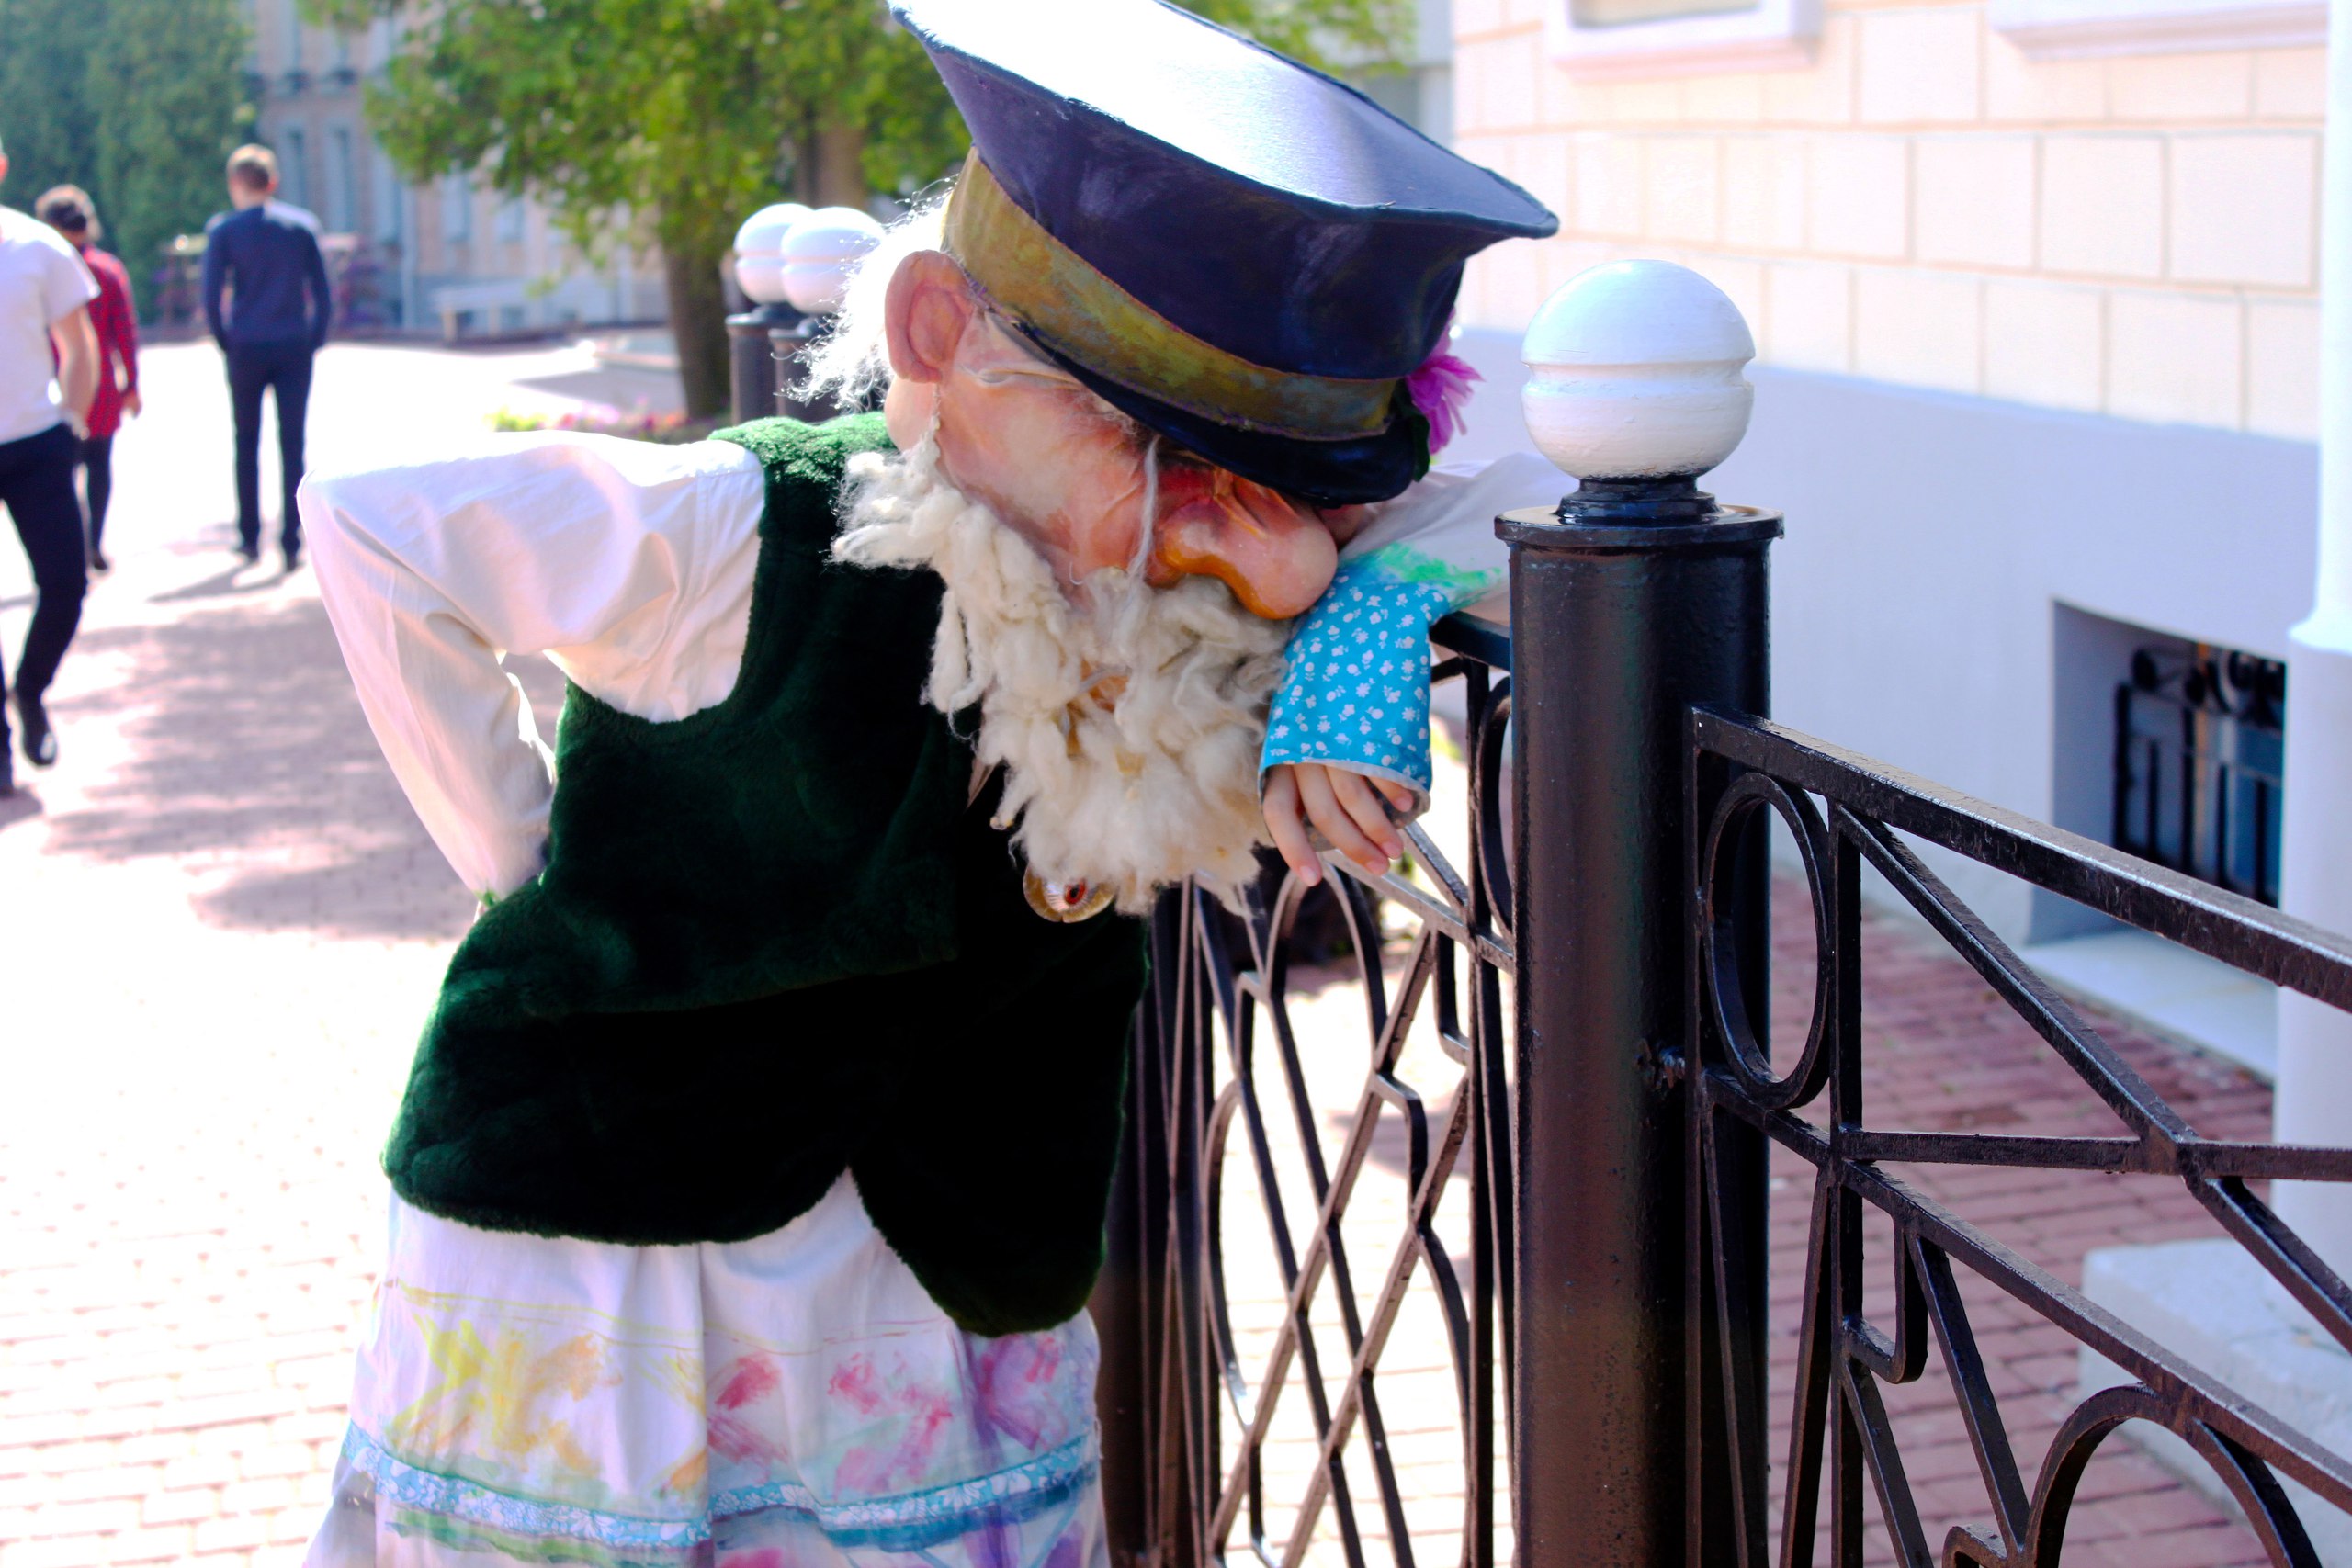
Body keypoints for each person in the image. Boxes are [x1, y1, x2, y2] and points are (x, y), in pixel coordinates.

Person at [293, 3, 1559, 1563]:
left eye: (1282, 490)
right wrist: (517, 851)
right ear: (941, 337)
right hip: (611, 1266)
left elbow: (1541, 492)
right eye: (1157, 453)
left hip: (935, 1294)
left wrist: (1362, 616)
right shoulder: (745, 536)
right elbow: (375, 523)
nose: (1217, 536)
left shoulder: (1199, 595)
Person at [0, 139, 99, 797]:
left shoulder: (38, 247)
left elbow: (79, 345)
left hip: (37, 442)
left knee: (66, 583)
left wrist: (74, 423)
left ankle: (30, 688)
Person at [202, 143, 331, 571]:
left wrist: (226, 339)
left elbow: (211, 295)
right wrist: (313, 338)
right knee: (293, 443)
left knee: (246, 440)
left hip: (246, 345)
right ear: (273, 182)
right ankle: (292, 538)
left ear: (234, 183)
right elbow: (322, 291)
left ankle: (249, 537)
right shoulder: (301, 227)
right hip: (293, 342)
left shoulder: (225, 231)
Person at [36, 186, 140, 575]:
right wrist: (131, 383)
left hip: (54, 386)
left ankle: (79, 545)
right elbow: (125, 332)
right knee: (99, 467)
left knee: (62, 475)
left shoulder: (44, 269)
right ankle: (93, 542)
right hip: (101, 386)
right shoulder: (106, 269)